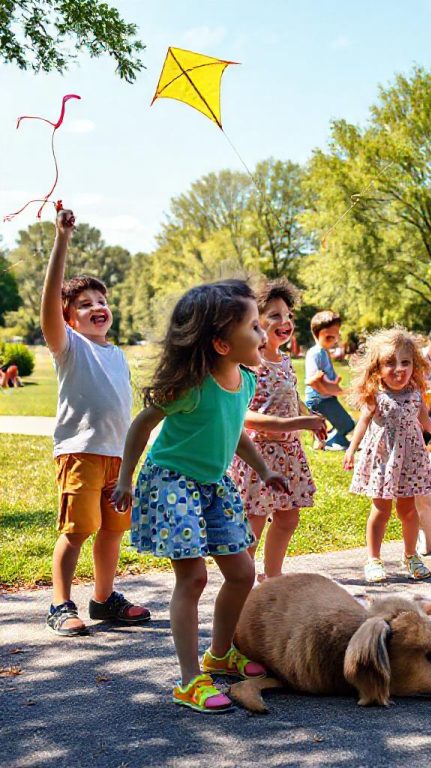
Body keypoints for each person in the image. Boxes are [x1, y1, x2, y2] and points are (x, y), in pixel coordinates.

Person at [112, 280, 289, 714]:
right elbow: (141, 426)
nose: (263, 332)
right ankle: (191, 680)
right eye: (253, 325)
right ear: (220, 343)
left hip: (213, 484)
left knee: (242, 572)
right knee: (193, 579)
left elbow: (235, 433)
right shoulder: (191, 385)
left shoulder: (244, 381)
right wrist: (124, 479)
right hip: (172, 482)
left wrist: (264, 469)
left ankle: (220, 653)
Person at [41, 206, 150, 637]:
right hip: (80, 453)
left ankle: (105, 599)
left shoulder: (117, 353)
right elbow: (51, 298)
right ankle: (59, 603)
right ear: (69, 318)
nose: (97, 307)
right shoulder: (68, 346)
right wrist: (61, 239)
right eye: (85, 305)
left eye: (102, 301)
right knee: (78, 529)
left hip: (116, 458)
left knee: (112, 530)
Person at [229, 278, 326, 580]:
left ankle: (272, 578)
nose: (284, 322)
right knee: (254, 524)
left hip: (288, 454)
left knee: (287, 518)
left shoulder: (284, 360)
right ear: (252, 322)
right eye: (274, 316)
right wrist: (298, 423)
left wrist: (309, 416)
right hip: (257, 456)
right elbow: (244, 417)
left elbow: (289, 395)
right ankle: (241, 583)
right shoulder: (248, 364)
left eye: (288, 316)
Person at [344, 327, 431, 583]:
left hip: (410, 460)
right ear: (377, 367)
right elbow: (362, 423)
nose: (399, 369)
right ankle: (373, 559)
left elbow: (423, 417)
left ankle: (411, 555)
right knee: (380, 510)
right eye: (389, 363)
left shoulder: (415, 393)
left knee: (409, 512)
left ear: (414, 365)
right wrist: (351, 449)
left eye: (405, 363)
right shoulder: (376, 395)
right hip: (383, 459)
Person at [304, 310, 355, 450]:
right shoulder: (316, 352)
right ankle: (330, 441)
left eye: (335, 336)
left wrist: (334, 388)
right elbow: (312, 380)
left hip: (326, 398)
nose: (333, 340)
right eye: (328, 337)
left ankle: (323, 438)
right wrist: (329, 388)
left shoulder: (323, 351)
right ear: (316, 334)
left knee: (343, 423)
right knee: (348, 424)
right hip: (320, 399)